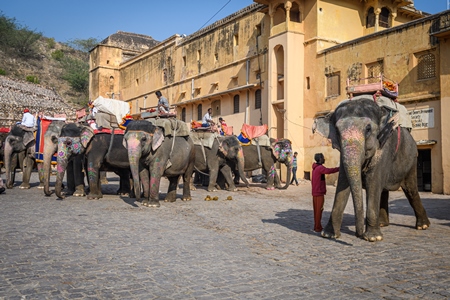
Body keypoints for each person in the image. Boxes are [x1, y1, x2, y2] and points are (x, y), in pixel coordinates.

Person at [311, 153, 339, 233]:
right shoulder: (320, 168)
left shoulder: (315, 168)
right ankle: (317, 227)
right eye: (323, 158)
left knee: (316, 210)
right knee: (319, 210)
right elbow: (328, 171)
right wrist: (339, 169)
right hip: (319, 193)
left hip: (315, 192)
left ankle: (317, 226)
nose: (324, 159)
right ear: (320, 159)